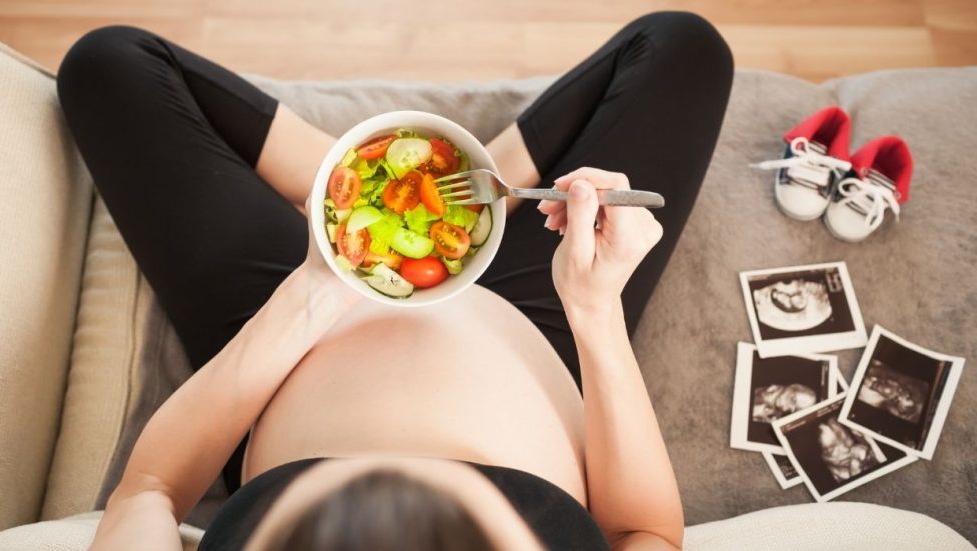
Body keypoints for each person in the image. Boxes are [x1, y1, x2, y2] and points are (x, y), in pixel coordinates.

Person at [56, 11, 733, 550]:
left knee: (108, 66)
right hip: (541, 321)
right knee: (683, 48)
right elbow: (642, 534)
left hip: (294, 330)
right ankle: (470, 190)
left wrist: (315, 291)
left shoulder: (305, 301)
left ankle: (368, 187)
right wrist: (595, 310)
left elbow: (148, 488)